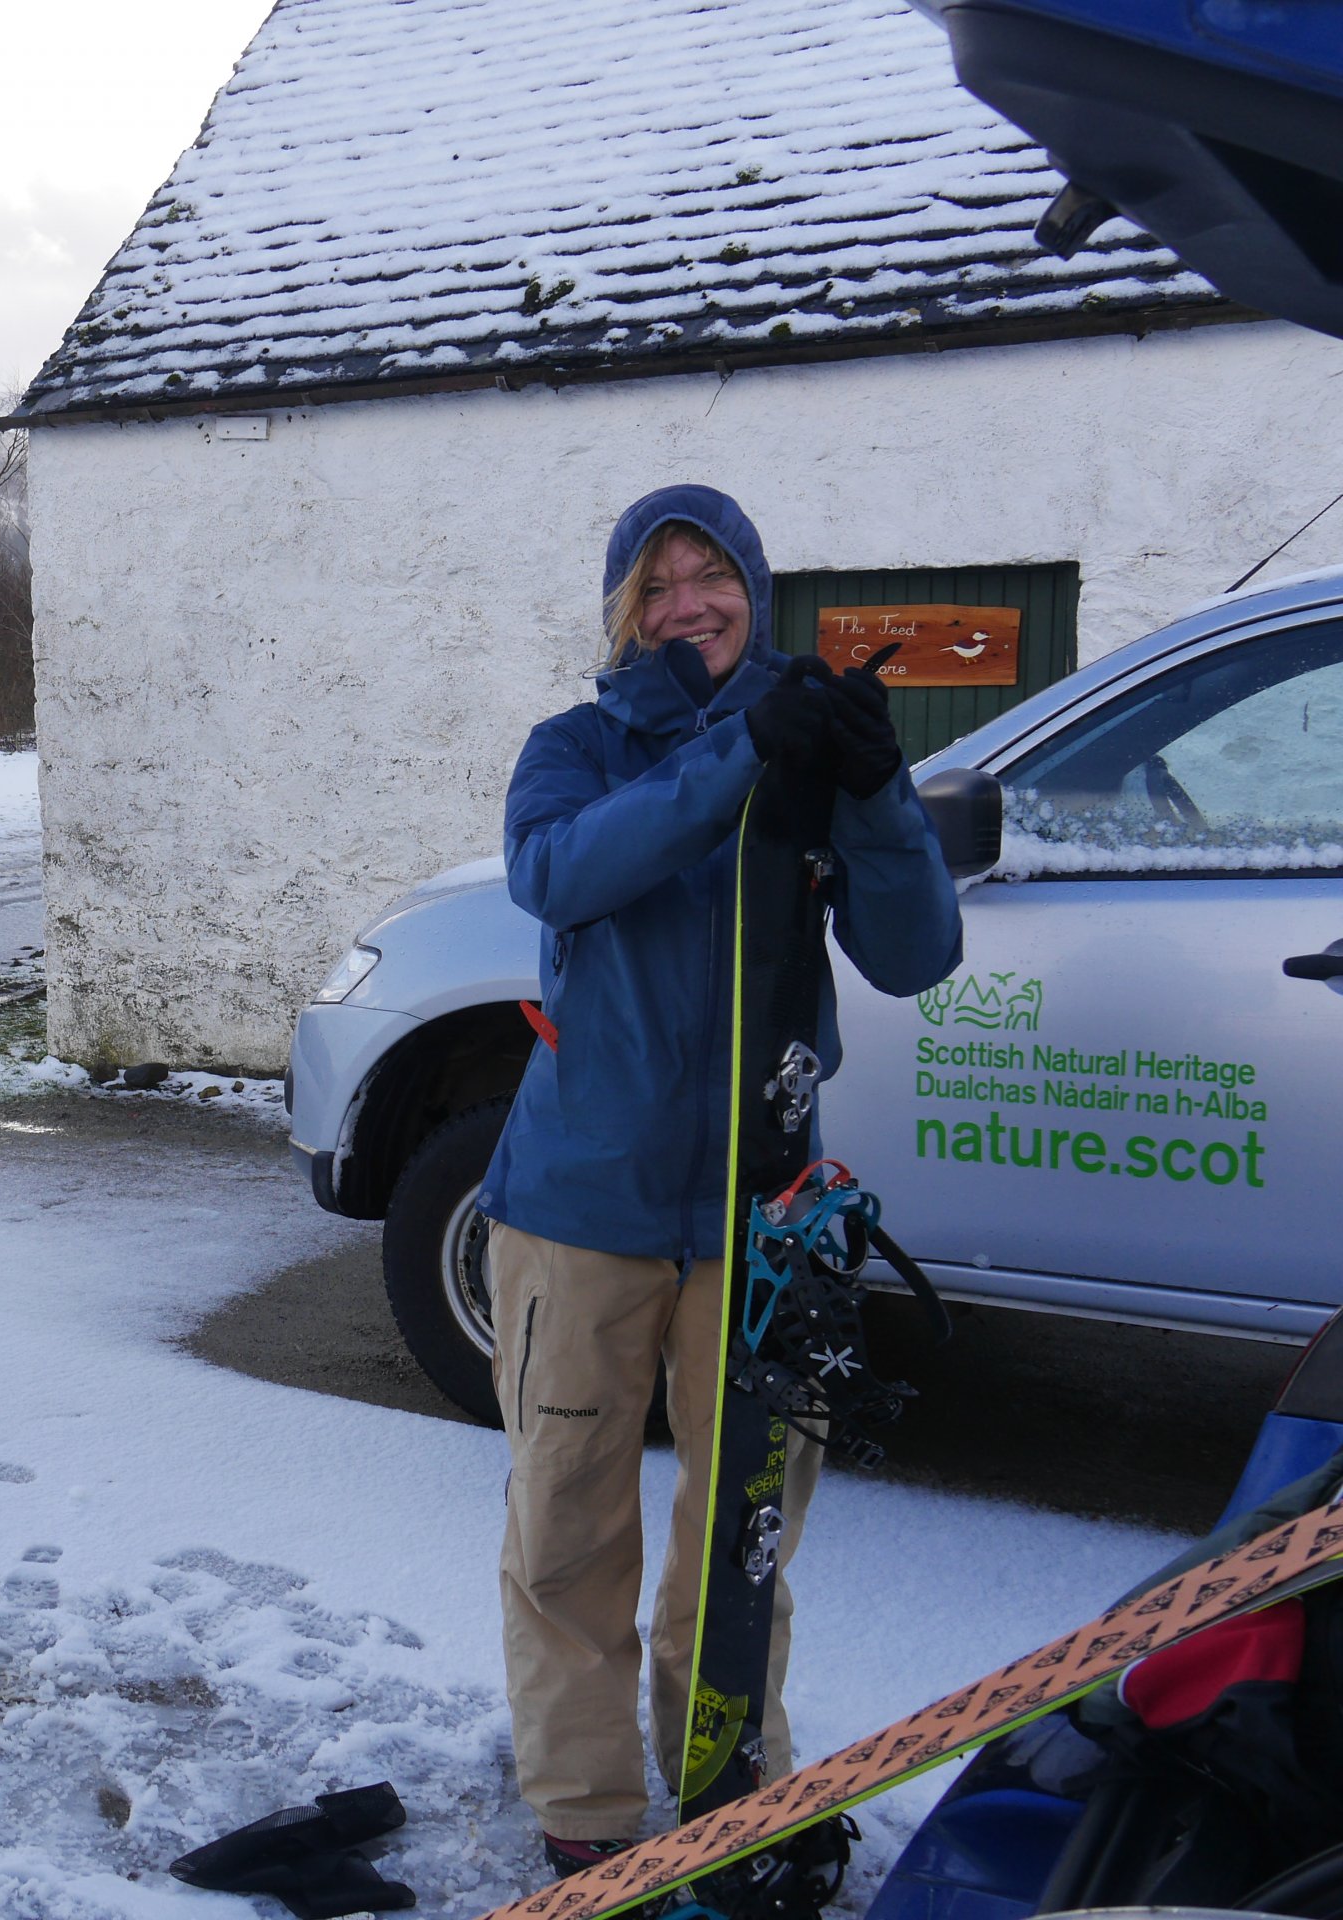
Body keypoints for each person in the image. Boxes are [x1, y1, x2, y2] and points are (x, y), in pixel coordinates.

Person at [474, 487, 961, 1879]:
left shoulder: (811, 743)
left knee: (743, 1530)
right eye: (656, 582)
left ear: (756, 586)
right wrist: (739, 748)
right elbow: (561, 873)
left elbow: (916, 954)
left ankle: (730, 1780)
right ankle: (587, 1805)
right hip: (583, 1209)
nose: (687, 603)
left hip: (764, 1215)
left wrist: (874, 788)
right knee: (568, 1518)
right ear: (623, 609)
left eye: (712, 575)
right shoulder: (575, 747)